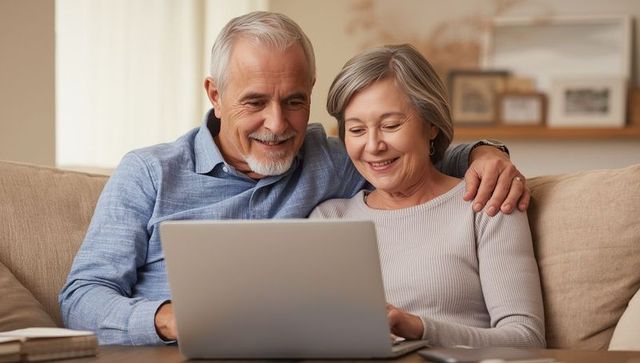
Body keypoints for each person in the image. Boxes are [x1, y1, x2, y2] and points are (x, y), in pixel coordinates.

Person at [59, 11, 529, 346]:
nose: (278, 124)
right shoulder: (148, 173)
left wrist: (484, 155)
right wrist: (167, 319)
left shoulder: (333, 156)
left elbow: (408, 162)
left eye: (295, 101)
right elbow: (81, 297)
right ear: (215, 94)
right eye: (255, 101)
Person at [309, 44, 545, 348]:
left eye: (390, 125)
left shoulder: (486, 202)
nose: (373, 145)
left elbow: (528, 339)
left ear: (431, 124)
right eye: (356, 130)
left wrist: (419, 329)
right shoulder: (329, 219)